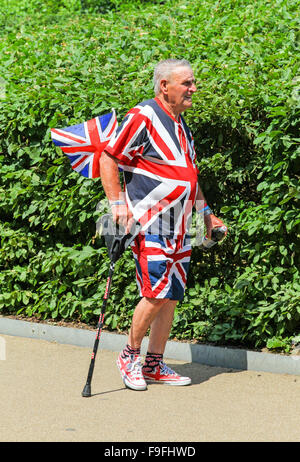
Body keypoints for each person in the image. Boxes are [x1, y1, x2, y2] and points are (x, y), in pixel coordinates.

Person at [100, 58, 226, 391]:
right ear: (164, 86)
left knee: (170, 295)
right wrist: (116, 205)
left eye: (193, 82)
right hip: (151, 222)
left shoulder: (181, 125)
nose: (193, 89)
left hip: (180, 224)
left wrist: (206, 214)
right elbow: (109, 156)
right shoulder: (143, 115)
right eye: (186, 83)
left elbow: (190, 177)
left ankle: (154, 363)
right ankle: (129, 356)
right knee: (155, 293)